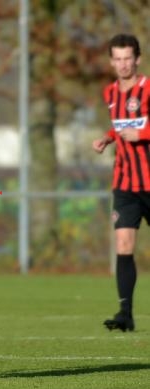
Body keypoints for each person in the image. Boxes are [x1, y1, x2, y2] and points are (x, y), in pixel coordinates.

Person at [92, 33, 150, 332]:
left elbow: (139, 127)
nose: (123, 64)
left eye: (128, 58)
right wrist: (107, 137)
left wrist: (141, 135)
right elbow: (121, 127)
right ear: (112, 61)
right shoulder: (111, 93)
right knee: (124, 244)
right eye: (117, 58)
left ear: (137, 59)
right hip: (125, 182)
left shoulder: (149, 88)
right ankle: (125, 313)